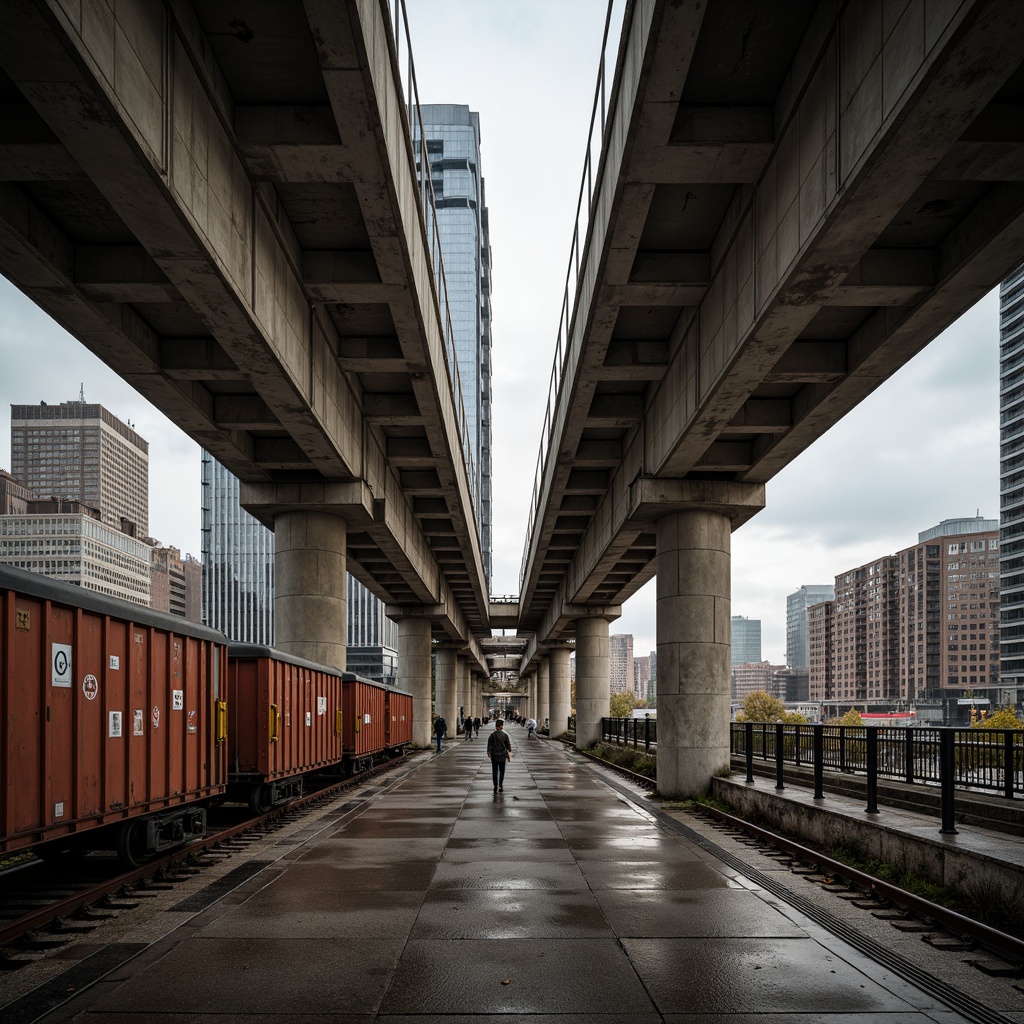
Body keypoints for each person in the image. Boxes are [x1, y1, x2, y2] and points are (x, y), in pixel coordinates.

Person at [486, 718, 512, 792]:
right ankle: (500, 785)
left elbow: (489, 745)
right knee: (502, 771)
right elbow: (508, 746)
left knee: (495, 771)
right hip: (502, 756)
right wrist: (509, 752)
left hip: (494, 756)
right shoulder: (505, 735)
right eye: (502, 725)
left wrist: (489, 753)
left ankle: (495, 785)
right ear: (501, 726)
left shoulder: (492, 735)